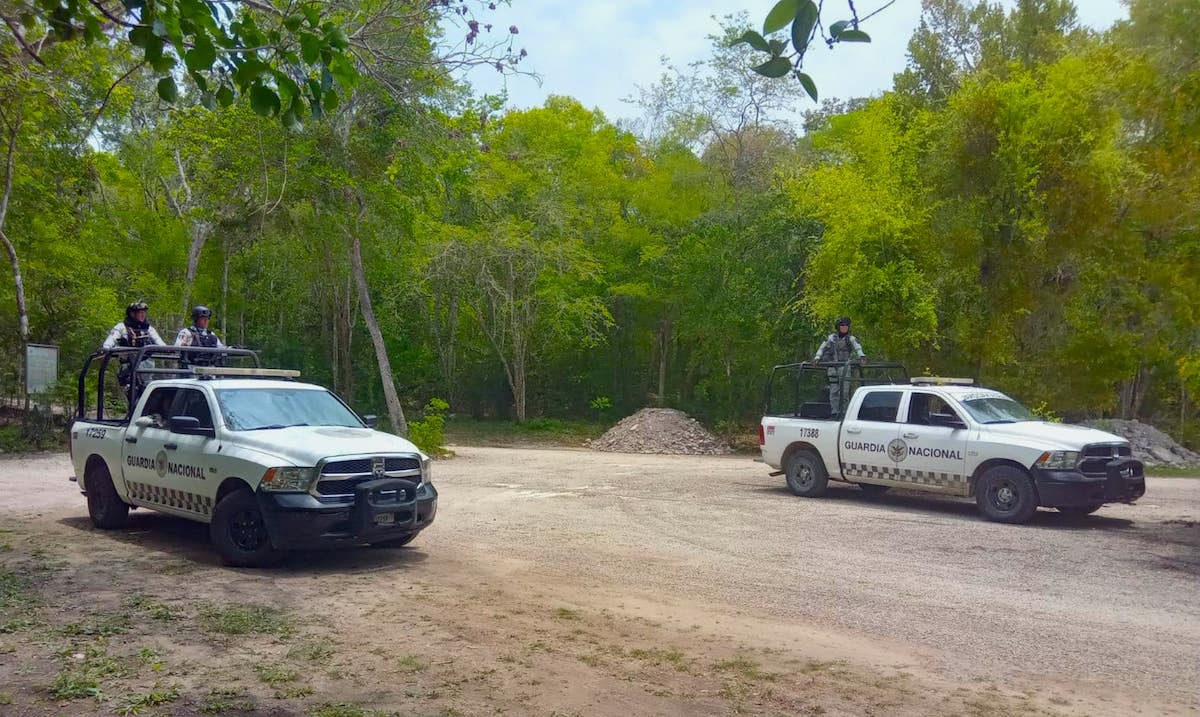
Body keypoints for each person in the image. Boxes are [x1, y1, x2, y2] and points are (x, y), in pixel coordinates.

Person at [102, 300, 167, 402]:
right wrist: (106, 348)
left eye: (144, 313)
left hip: (147, 368)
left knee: (150, 394)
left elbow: (160, 342)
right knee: (134, 395)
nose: (143, 315)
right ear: (132, 314)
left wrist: (167, 350)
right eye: (140, 313)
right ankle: (134, 412)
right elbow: (111, 339)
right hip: (129, 367)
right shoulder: (122, 327)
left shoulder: (148, 328)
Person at [813, 317, 866, 416]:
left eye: (846, 326)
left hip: (844, 367)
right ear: (838, 327)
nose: (844, 327)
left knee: (844, 392)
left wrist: (862, 356)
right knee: (834, 391)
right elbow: (822, 347)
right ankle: (834, 412)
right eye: (842, 325)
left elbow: (857, 347)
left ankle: (844, 412)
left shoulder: (851, 338)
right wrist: (817, 357)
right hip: (832, 366)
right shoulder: (831, 338)